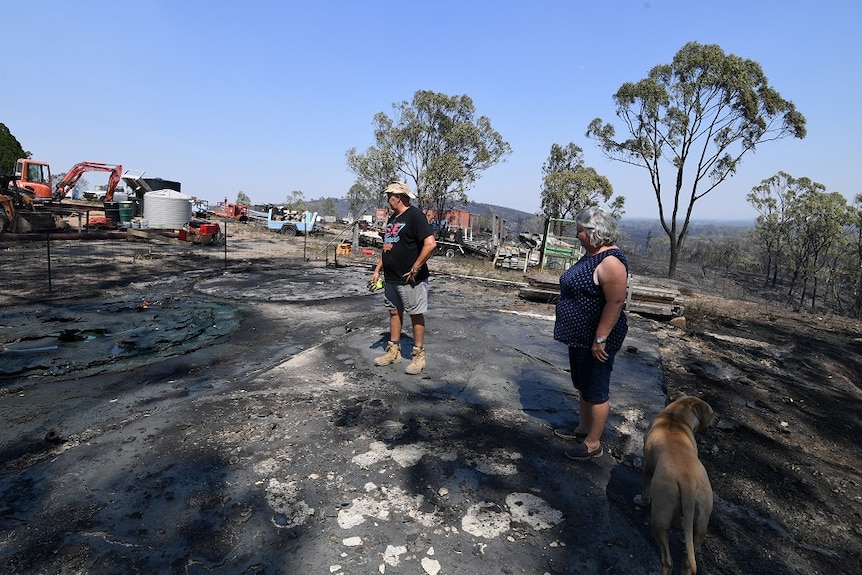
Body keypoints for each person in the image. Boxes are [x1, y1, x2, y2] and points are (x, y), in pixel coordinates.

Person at [553, 207, 628, 460]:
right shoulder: (592, 255)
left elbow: (615, 303)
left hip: (597, 339)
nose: (578, 235)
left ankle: (593, 444)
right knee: (583, 385)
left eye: (581, 231)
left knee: (596, 390)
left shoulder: (611, 262)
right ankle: (583, 429)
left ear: (595, 233)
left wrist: (600, 339)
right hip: (580, 337)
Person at [370, 182, 437, 374]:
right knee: (394, 312)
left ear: (397, 197)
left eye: (389, 196)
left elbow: (430, 244)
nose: (388, 199)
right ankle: (394, 351)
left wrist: (416, 267)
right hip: (391, 277)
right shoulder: (393, 218)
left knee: (415, 314)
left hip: (410, 278)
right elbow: (387, 247)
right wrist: (377, 270)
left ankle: (418, 356)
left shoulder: (415, 216)